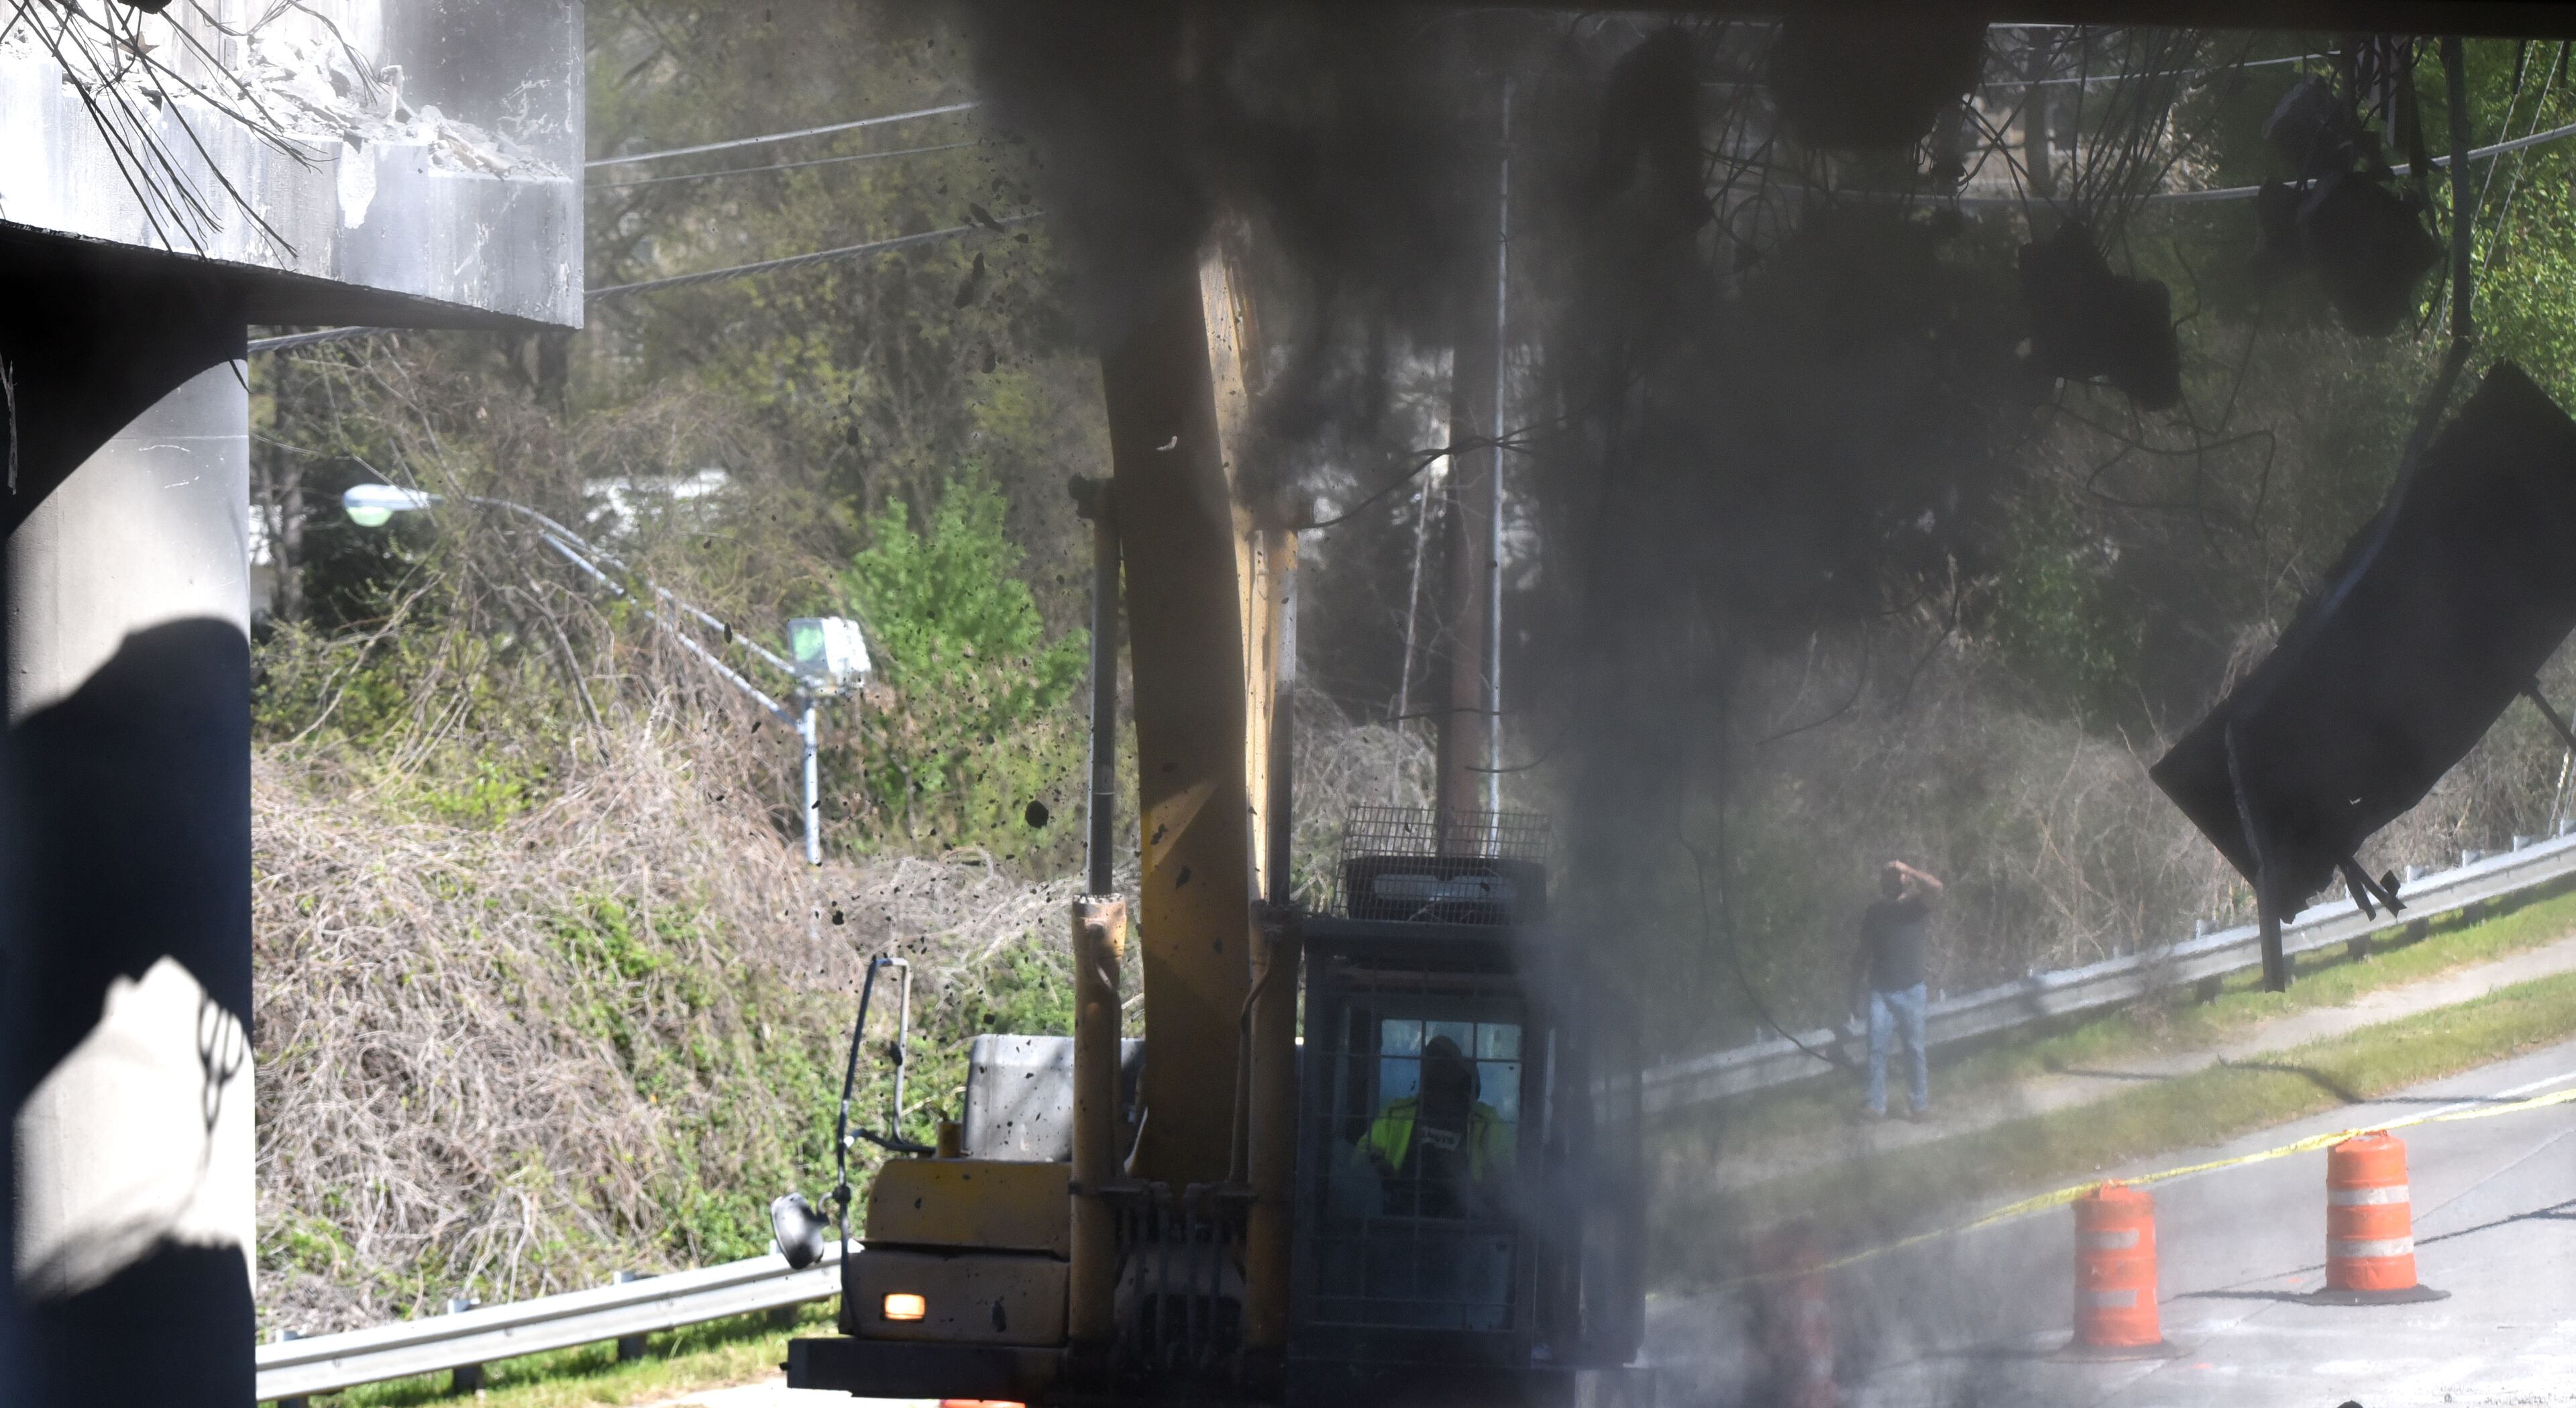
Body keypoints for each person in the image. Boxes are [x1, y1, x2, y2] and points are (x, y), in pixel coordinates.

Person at [1363, 1034, 1513, 1216]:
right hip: (1400, 1220)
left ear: (1459, 1072)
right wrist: (1377, 1164)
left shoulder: (1486, 1120)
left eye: (1445, 1063)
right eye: (1432, 1063)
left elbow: (1508, 1171)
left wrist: (1480, 1191)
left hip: (1465, 1223)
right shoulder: (1396, 1113)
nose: (1438, 1070)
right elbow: (1359, 1157)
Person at [1852, 859, 1942, 1120]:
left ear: (1906, 881)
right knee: (1876, 1049)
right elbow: (1863, 952)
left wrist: (1908, 869)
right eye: (1887, 876)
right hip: (1880, 991)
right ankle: (1875, 1105)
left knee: (1914, 1049)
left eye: (1896, 876)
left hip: (1911, 990)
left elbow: (1937, 887)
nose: (1891, 880)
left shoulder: (1915, 908)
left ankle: (1919, 1104)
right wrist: (1853, 987)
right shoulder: (1874, 912)